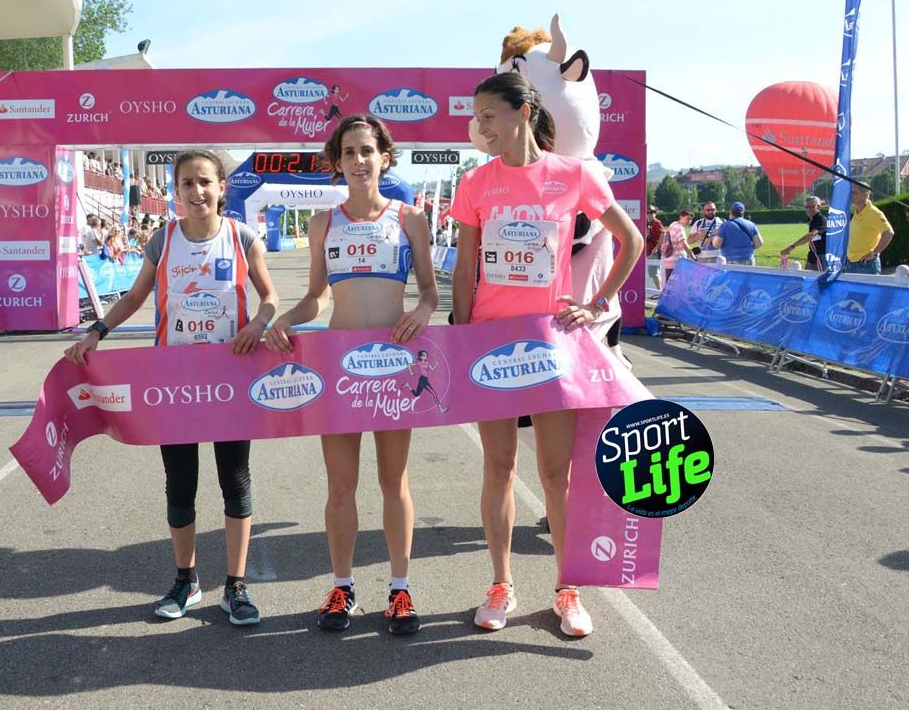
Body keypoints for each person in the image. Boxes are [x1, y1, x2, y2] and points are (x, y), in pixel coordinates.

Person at [449, 72, 643, 638]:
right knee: (499, 468)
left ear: (522, 112)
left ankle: (567, 589)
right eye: (477, 116)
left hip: (550, 342)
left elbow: (631, 241)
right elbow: (465, 268)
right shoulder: (476, 183)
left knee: (556, 474)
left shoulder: (573, 174)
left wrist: (596, 303)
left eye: (488, 115)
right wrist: (462, 332)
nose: (480, 126)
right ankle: (501, 583)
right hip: (488, 341)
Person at [64, 149, 279, 626]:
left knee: (235, 481)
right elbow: (137, 296)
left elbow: (270, 296)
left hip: (229, 381)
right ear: (176, 192)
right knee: (180, 485)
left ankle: (236, 586)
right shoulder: (162, 242)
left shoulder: (241, 237)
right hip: (175, 385)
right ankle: (187, 580)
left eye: (205, 182)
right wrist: (95, 332)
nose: (197, 191)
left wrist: (260, 324)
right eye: (186, 183)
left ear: (222, 187)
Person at [265, 114, 436, 637]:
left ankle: (400, 588)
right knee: (341, 487)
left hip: (393, 366)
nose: (359, 160)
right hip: (341, 370)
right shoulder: (323, 222)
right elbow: (317, 296)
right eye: (348, 152)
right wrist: (286, 319)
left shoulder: (410, 218)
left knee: (394, 482)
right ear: (336, 162)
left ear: (385, 156)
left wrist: (424, 312)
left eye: (367, 150)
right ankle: (342, 586)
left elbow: (429, 290)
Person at [846, 183, 894, 274]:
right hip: (852, 264)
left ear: (866, 194)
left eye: (854, 193)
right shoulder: (857, 212)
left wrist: (874, 253)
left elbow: (889, 233)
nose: (851, 196)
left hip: (866, 265)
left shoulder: (874, 213)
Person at [780, 196, 827, 271]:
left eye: (811, 206)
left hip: (820, 258)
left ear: (818, 206)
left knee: (818, 281)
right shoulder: (812, 221)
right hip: (812, 257)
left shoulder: (821, 220)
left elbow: (811, 235)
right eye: (807, 207)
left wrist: (792, 246)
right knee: (807, 280)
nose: (808, 209)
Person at [712, 201, 763, 266]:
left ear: (731, 212)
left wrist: (715, 236)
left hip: (730, 260)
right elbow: (759, 243)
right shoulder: (751, 224)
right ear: (743, 213)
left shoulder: (724, 226)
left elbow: (717, 245)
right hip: (748, 259)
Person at [661, 209, 694, 285]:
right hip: (677, 263)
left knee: (670, 287)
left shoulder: (673, 224)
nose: (689, 221)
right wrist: (693, 257)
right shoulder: (680, 228)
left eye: (691, 219)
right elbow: (684, 244)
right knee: (678, 287)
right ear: (681, 217)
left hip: (668, 261)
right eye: (688, 218)